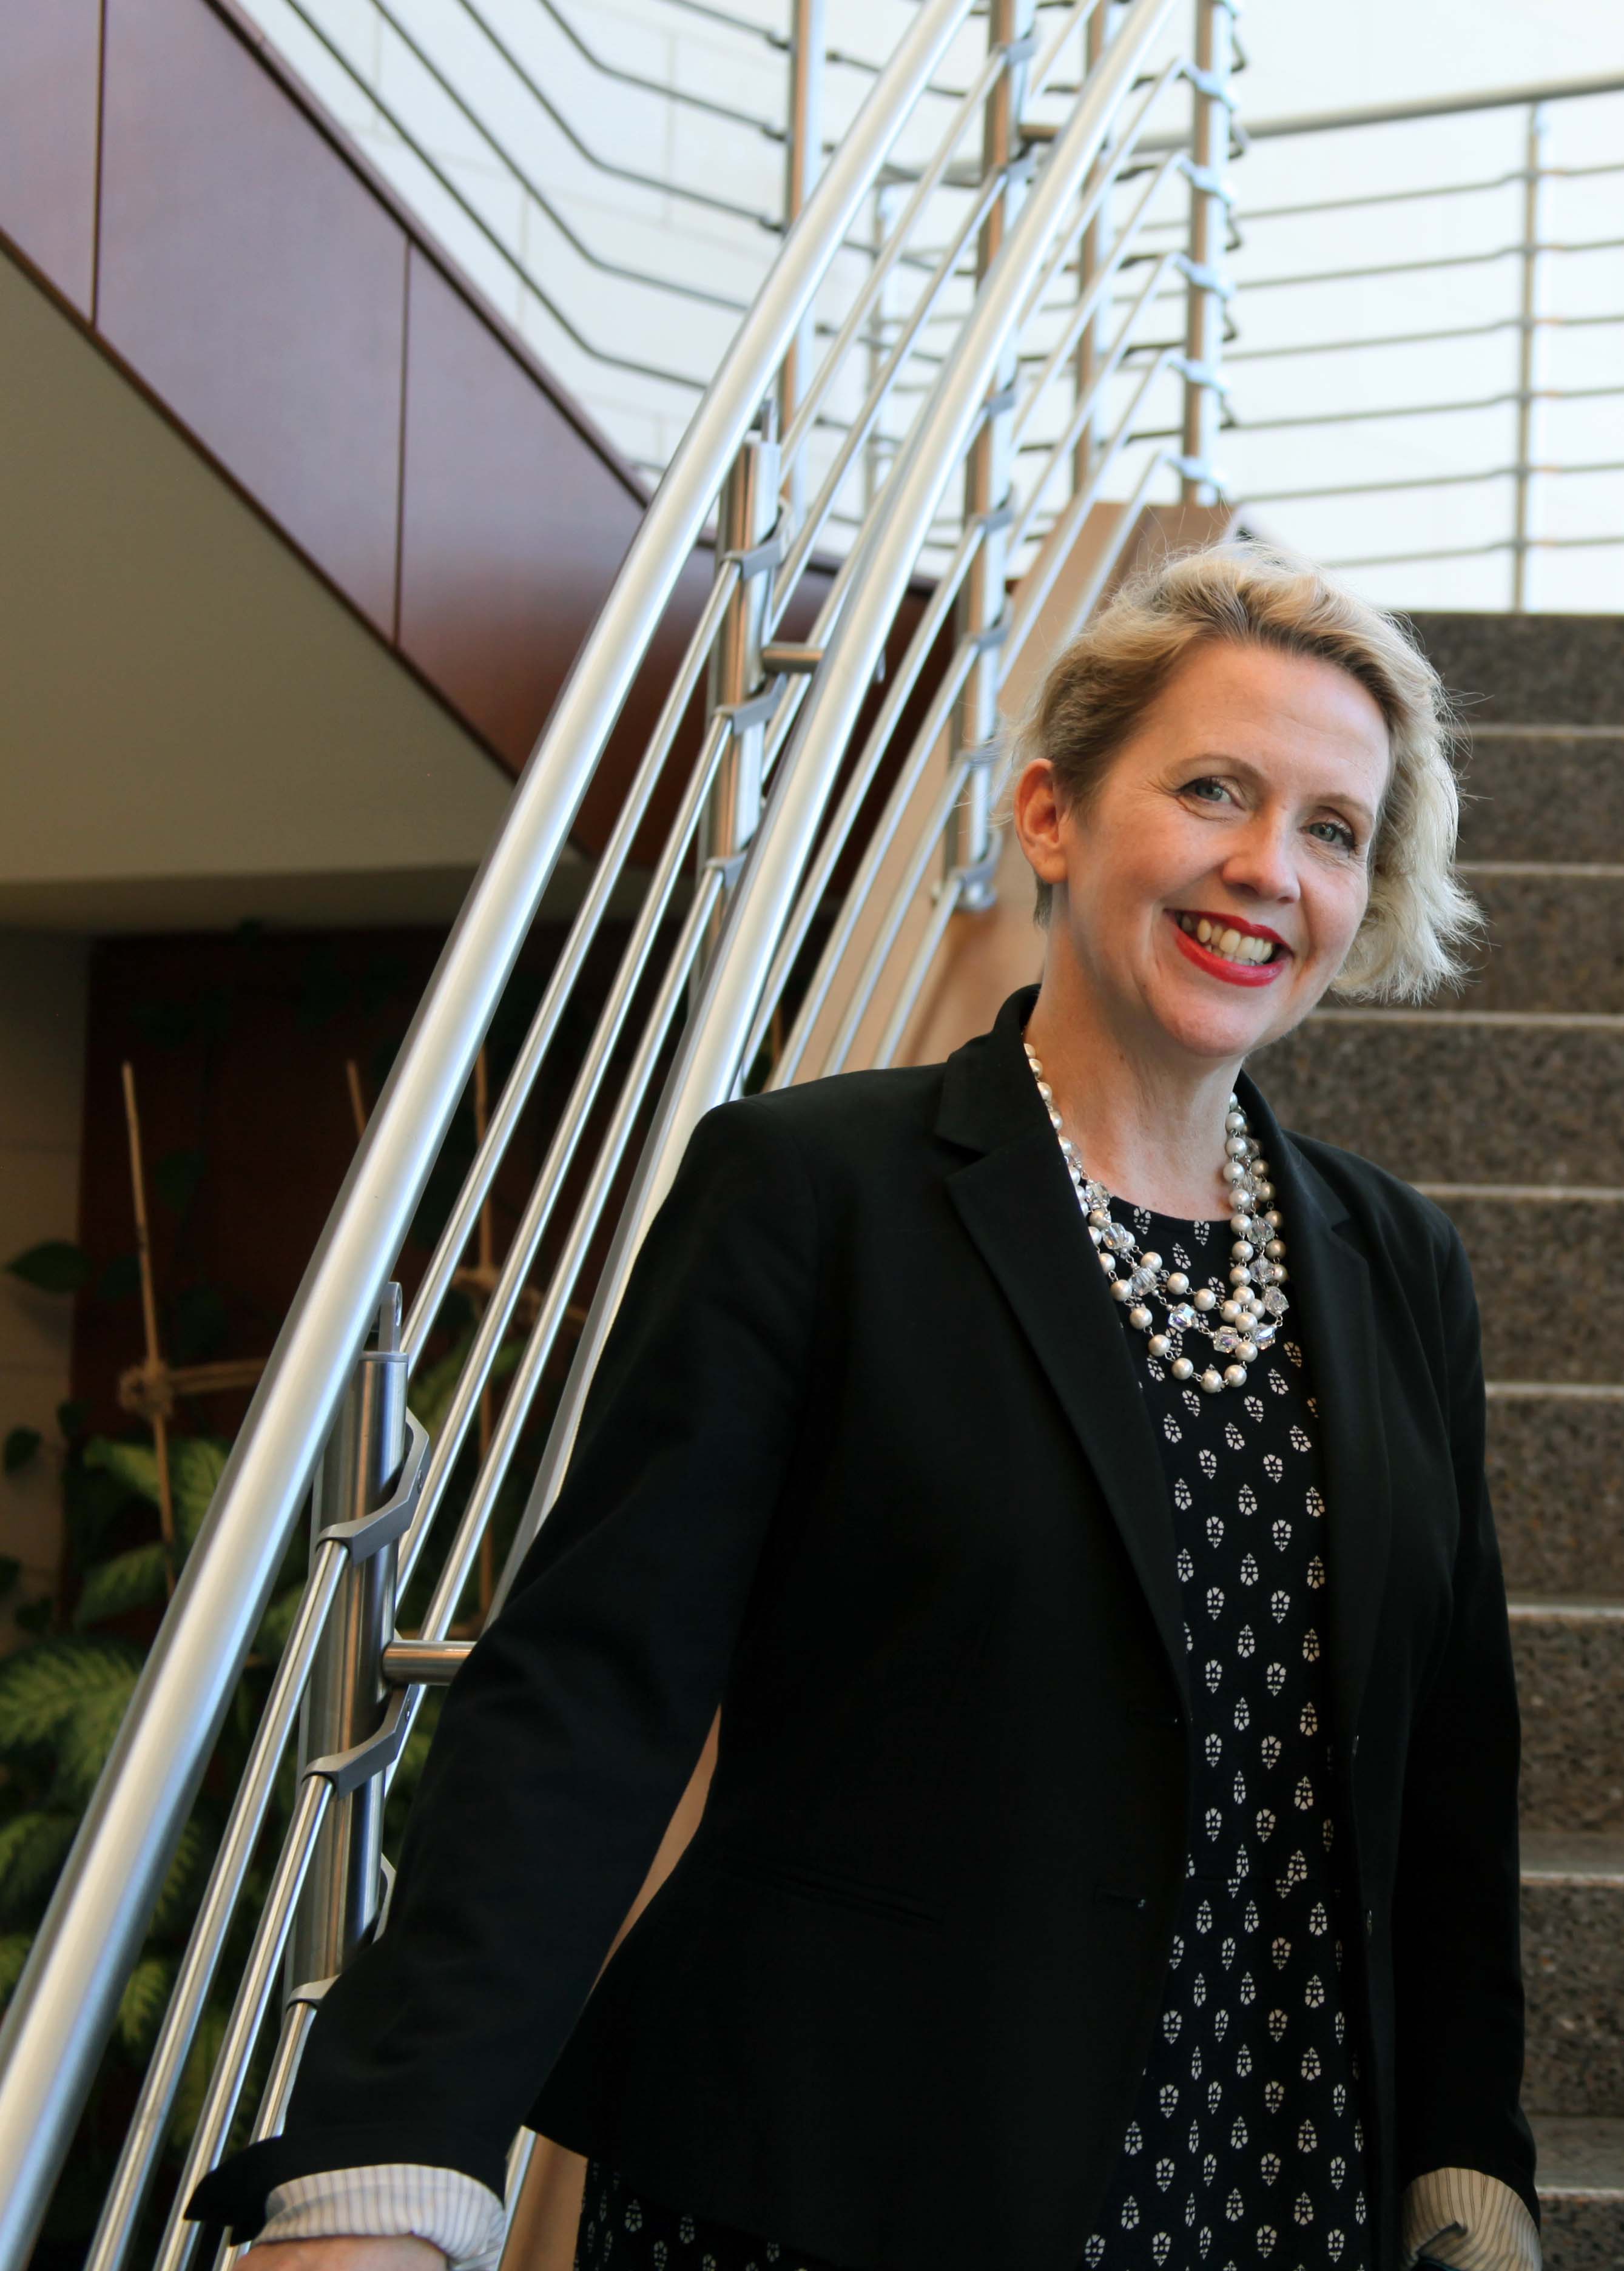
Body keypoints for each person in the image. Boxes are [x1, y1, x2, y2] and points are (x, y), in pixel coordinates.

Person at [193, 543, 1540, 2271]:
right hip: (840, 2193)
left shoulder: (1395, 1265)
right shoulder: (811, 1194)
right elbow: (588, 1699)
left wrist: (1462, 2158)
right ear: (1052, 814)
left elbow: (1448, 1762)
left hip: (1273, 2196)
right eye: (1214, 789)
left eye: (1334, 830)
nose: (1267, 869)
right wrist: (393, 2169)